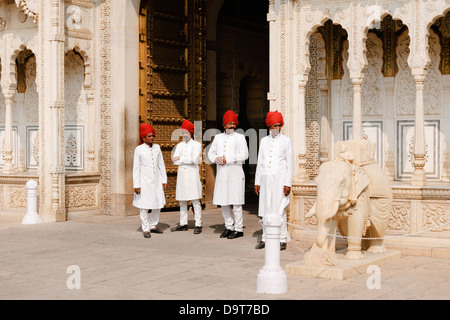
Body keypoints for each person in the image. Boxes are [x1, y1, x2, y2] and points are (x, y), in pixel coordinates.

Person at [254, 111, 293, 250]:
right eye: (274, 126)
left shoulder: (286, 141)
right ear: (269, 126)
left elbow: (290, 164)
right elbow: (260, 162)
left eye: (279, 125)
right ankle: (265, 238)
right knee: (266, 209)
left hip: (280, 181)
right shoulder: (264, 141)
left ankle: (282, 238)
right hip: (265, 180)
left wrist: (287, 183)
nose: (276, 128)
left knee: (279, 209)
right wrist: (257, 181)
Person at [208, 110, 249, 239]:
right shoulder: (218, 138)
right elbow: (210, 153)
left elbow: (245, 155)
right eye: (229, 124)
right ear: (224, 125)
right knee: (224, 202)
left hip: (235, 174)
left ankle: (238, 229)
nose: (231, 126)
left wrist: (227, 158)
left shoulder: (240, 137)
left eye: (233, 123)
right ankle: (229, 226)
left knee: (236, 202)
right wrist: (216, 159)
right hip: (222, 174)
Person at [133, 123, 167, 238]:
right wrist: (136, 185)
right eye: (149, 136)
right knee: (144, 206)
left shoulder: (157, 147)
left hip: (156, 181)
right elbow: (136, 168)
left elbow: (161, 164)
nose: (152, 138)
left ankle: (153, 225)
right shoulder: (139, 149)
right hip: (144, 182)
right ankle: (146, 228)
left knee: (157, 204)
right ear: (143, 138)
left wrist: (164, 179)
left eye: (152, 136)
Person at [171, 119, 203, 234]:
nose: (185, 135)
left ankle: (198, 224)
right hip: (182, 175)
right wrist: (181, 159)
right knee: (182, 201)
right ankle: (183, 223)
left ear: (191, 133)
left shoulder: (197, 145)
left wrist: (180, 158)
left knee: (195, 200)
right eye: (183, 133)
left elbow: (194, 160)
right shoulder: (179, 145)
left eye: (187, 133)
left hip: (192, 175)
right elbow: (173, 160)